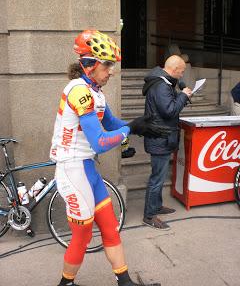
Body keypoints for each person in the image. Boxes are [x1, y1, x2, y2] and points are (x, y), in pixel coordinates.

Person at [50, 30, 168, 286]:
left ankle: (124, 282)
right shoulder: (78, 91)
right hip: (72, 169)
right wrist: (131, 129)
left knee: (109, 226)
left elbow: (112, 123)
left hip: (87, 169)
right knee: (82, 235)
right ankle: (65, 284)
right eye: (107, 65)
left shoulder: (97, 92)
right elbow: (100, 142)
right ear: (89, 64)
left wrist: (138, 126)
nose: (111, 71)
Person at [142, 55, 192, 230]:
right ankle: (149, 216)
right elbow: (169, 111)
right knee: (156, 178)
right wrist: (183, 96)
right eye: (182, 71)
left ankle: (156, 206)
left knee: (159, 177)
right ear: (174, 69)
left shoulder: (163, 82)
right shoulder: (162, 85)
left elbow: (168, 106)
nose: (182, 75)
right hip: (159, 138)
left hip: (161, 136)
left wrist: (181, 97)